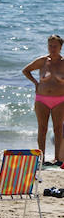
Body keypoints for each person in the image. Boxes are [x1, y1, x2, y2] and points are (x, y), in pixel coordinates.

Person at [21, 34, 64, 166]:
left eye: (55, 46)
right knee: (42, 128)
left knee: (58, 129)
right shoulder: (42, 61)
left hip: (60, 100)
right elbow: (26, 70)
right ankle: (41, 158)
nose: (52, 48)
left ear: (61, 47)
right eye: (50, 45)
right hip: (42, 99)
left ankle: (58, 158)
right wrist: (35, 83)